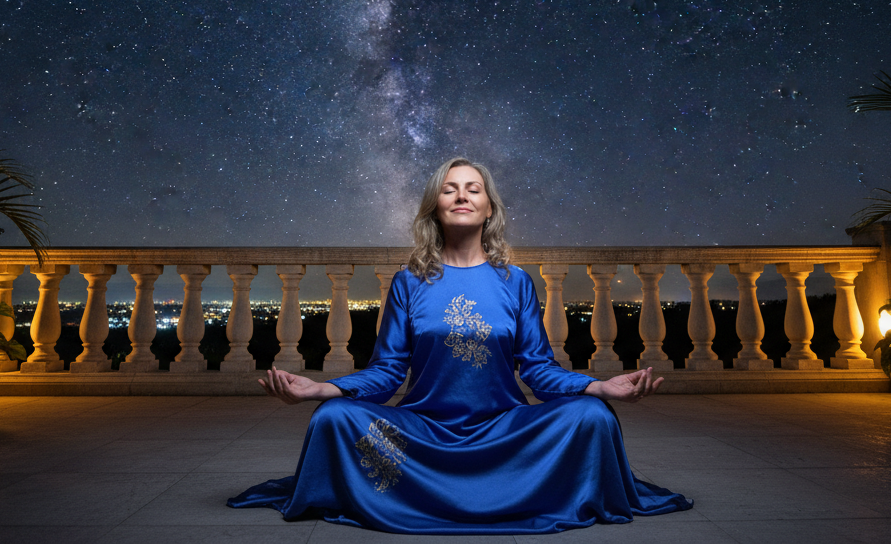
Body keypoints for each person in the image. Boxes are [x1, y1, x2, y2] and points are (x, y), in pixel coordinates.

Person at [228, 157, 693, 534]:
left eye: (473, 188)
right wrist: (323, 390)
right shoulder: (410, 282)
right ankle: (471, 492)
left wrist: (598, 388)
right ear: (435, 207)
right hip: (422, 432)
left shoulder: (516, 283)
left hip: (504, 432)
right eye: (450, 189)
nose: (462, 195)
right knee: (332, 418)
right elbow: (388, 371)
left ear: (490, 207)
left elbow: (537, 369)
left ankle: (476, 487)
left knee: (592, 418)